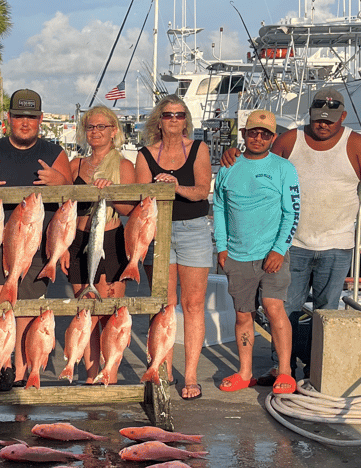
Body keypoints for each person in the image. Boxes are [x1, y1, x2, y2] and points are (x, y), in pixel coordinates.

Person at [220, 86, 361, 381]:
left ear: (343, 117)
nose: (322, 124)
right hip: (291, 244)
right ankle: (281, 368)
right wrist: (233, 153)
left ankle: (315, 369)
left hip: (338, 243)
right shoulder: (291, 139)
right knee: (284, 308)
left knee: (326, 309)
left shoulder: (357, 144)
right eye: (318, 118)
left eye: (330, 120)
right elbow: (258, 156)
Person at [0, 88, 73, 385]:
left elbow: (68, 198)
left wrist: (60, 181)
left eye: (30, 117)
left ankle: (19, 371)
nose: (24, 122)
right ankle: (0, 366)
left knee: (27, 309)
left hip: (37, 243)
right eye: (18, 117)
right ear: (9, 118)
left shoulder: (55, 153)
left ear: (40, 119)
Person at [212, 109, 301, 395]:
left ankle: (285, 372)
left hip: (271, 254)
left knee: (275, 309)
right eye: (253, 132)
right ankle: (245, 372)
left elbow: (292, 212)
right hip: (237, 254)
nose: (259, 138)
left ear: (273, 138)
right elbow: (219, 208)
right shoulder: (228, 166)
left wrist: (279, 249)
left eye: (265, 134)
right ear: (244, 135)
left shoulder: (284, 168)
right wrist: (222, 246)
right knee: (242, 315)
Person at [134, 96, 213, 399]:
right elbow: (143, 198)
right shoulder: (145, 155)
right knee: (164, 305)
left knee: (193, 305)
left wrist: (174, 186)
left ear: (186, 120)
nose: (174, 120)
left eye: (180, 115)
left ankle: (190, 375)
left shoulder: (199, 149)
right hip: (157, 231)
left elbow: (201, 191)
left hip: (193, 229)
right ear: (159, 119)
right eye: (168, 115)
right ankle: (162, 368)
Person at [67, 105, 135, 381]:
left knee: (110, 313)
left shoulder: (123, 165)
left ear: (113, 131)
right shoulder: (76, 165)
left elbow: (130, 207)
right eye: (90, 127)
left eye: (101, 127)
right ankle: (90, 375)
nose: (95, 132)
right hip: (78, 240)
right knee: (86, 314)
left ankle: (111, 373)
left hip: (110, 238)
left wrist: (112, 190)